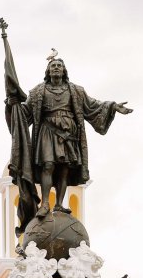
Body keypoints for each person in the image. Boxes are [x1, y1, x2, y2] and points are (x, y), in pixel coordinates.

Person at [22, 56, 132, 217]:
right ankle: (45, 203)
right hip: (47, 130)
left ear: (64, 70)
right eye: (53, 66)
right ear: (48, 71)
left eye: (59, 65)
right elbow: (25, 111)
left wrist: (113, 106)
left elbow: (93, 105)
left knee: (64, 169)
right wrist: (14, 105)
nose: (56, 68)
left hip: (69, 133)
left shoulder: (76, 91)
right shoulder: (38, 91)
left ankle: (59, 204)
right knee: (48, 165)